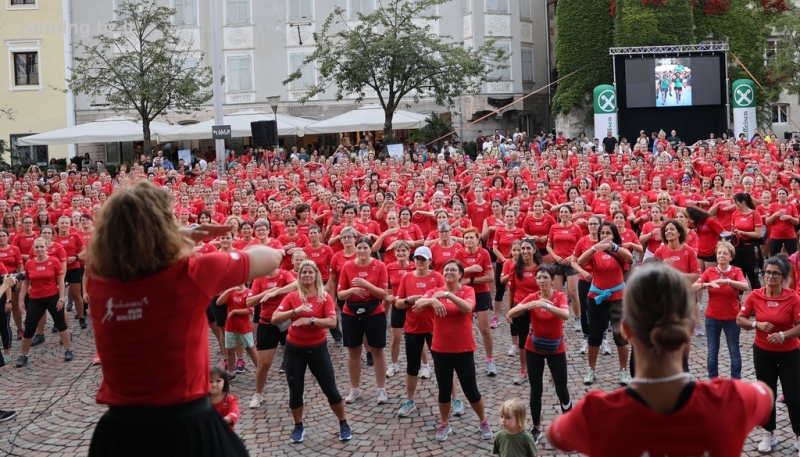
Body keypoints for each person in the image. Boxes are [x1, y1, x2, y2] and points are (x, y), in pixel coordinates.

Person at [85, 181, 283, 456]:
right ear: (165, 226)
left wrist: (181, 239)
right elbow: (271, 257)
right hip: (185, 425)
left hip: (119, 430)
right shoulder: (192, 273)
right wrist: (185, 239)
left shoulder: (98, 282)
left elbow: (136, 256)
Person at [549, 262, 773, 456]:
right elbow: (765, 396)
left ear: (626, 330)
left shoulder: (595, 415)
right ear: (691, 326)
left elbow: (556, 434)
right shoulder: (733, 401)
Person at [271, 260, 352, 443]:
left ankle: (343, 423)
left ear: (315, 275)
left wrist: (311, 320)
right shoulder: (292, 297)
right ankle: (298, 426)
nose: (307, 275)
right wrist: (295, 311)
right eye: (303, 273)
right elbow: (275, 318)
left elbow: (332, 322)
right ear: (299, 276)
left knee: (331, 390)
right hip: (294, 350)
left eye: (310, 272)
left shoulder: (324, 297)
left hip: (317, 349)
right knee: (295, 391)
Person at [413, 259, 493, 442]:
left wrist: (448, 296)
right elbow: (418, 304)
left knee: (470, 389)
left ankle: (483, 421)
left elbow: (468, 308)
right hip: (440, 349)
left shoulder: (468, 291)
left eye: (453, 270)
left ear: (460, 274)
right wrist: (433, 300)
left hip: (463, 348)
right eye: (446, 269)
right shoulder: (435, 292)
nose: (448, 272)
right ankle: (444, 423)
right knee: (444, 389)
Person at [737, 254, 800, 453]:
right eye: (768, 272)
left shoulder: (793, 297)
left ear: (783, 277)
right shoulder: (756, 295)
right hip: (763, 352)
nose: (770, 276)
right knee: (767, 394)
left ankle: (799, 436)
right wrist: (757, 324)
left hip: (790, 353)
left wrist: (783, 335)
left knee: (794, 396)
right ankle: (769, 434)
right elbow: (740, 319)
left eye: (776, 273)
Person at [507, 264, 571, 444]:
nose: (541, 281)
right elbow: (511, 312)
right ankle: (536, 428)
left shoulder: (559, 296)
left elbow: (565, 314)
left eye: (545, 277)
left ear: (552, 279)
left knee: (561, 388)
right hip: (533, 347)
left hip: (556, 348)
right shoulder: (532, 297)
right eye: (539, 277)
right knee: (536, 389)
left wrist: (546, 306)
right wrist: (531, 304)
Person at [576, 221, 633, 386]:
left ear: (614, 235)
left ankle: (623, 371)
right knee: (594, 335)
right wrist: (595, 248)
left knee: (620, 336)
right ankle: (591, 370)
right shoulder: (595, 251)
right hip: (597, 297)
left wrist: (614, 247)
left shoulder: (619, 251)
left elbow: (629, 259)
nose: (604, 236)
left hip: (617, 298)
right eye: (602, 233)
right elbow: (580, 261)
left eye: (608, 233)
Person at [337, 237, 389, 405]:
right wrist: (352, 290)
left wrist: (367, 285)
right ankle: (354, 389)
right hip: (351, 312)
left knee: (377, 350)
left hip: (374, 311)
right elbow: (340, 295)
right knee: (353, 352)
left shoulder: (379, 266)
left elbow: (383, 294)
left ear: (370, 249)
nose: (361, 251)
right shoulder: (347, 266)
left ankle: (381, 389)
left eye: (365, 247)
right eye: (359, 247)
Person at [393, 246, 444, 417]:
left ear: (430, 261)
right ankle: (410, 400)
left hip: (434, 328)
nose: (420, 262)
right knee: (412, 366)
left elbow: (445, 296)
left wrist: (427, 300)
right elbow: (398, 303)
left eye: (423, 259)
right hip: (413, 328)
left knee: (444, 365)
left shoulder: (437, 277)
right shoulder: (407, 277)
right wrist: (409, 300)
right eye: (417, 259)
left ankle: (454, 398)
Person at [692, 241, 749, 379]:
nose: (721, 256)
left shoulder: (736, 271)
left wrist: (728, 281)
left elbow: (745, 286)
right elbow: (693, 287)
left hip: (732, 317)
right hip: (712, 317)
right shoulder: (710, 271)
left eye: (725, 253)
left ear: (731, 257)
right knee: (712, 351)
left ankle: (736, 379)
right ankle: (713, 379)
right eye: (719, 253)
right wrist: (706, 284)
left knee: (734, 350)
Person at [246, 264, 297, 408]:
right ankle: (258, 394)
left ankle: (296, 393)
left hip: (285, 321)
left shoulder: (284, 274)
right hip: (266, 323)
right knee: (264, 364)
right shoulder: (259, 279)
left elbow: (296, 285)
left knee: (292, 362)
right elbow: (249, 302)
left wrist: (277, 291)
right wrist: (266, 293)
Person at [16, 237, 71, 367]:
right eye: (37, 247)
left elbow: (61, 281)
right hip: (35, 299)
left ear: (46, 248)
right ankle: (24, 355)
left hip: (52, 297)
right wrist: (21, 300)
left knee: (61, 324)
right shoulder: (29, 263)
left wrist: (61, 298)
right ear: (33, 249)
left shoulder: (54, 261)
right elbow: (26, 283)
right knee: (29, 328)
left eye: (42, 247)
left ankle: (67, 350)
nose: (39, 249)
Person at [454, 228, 497, 376]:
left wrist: (470, 279)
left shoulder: (484, 253)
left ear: (478, 240)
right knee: (464, 328)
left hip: (481, 293)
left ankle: (490, 360)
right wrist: (470, 269)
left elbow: (490, 277)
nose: (468, 240)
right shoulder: (459, 253)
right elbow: (453, 274)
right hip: (464, 294)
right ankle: (465, 360)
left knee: (485, 329)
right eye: (466, 238)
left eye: (472, 238)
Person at [209, 367, 240, 431]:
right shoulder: (202, 399)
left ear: (224, 382)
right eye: (210, 382)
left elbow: (234, 414)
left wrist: (219, 421)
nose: (214, 384)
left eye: (218, 381)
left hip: (225, 432)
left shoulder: (230, 398)